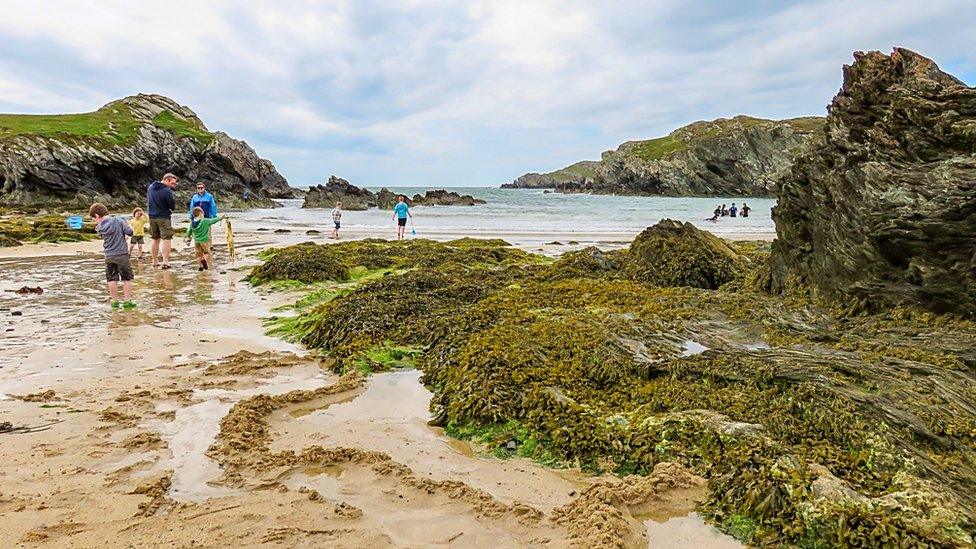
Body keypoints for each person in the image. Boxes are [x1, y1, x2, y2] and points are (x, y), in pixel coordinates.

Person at [89, 203, 135, 309]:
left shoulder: (99, 227)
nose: (95, 221)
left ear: (96, 216)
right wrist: (129, 225)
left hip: (109, 255)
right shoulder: (118, 220)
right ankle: (127, 301)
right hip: (122, 254)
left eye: (93, 219)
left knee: (111, 279)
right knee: (126, 278)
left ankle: (114, 302)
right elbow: (130, 232)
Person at [147, 173, 178, 269]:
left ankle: (155, 261)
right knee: (166, 239)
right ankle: (165, 261)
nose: (174, 185)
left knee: (155, 239)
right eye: (173, 183)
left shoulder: (151, 187)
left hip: (152, 216)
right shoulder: (166, 191)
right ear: (167, 180)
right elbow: (172, 206)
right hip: (163, 217)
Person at [184, 206, 225, 271]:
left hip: (197, 241)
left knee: (198, 254)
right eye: (203, 213)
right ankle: (204, 259)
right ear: (200, 213)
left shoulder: (192, 223)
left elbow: (189, 231)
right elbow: (213, 220)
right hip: (205, 240)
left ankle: (200, 266)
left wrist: (187, 236)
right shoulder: (205, 221)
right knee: (207, 252)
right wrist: (221, 218)